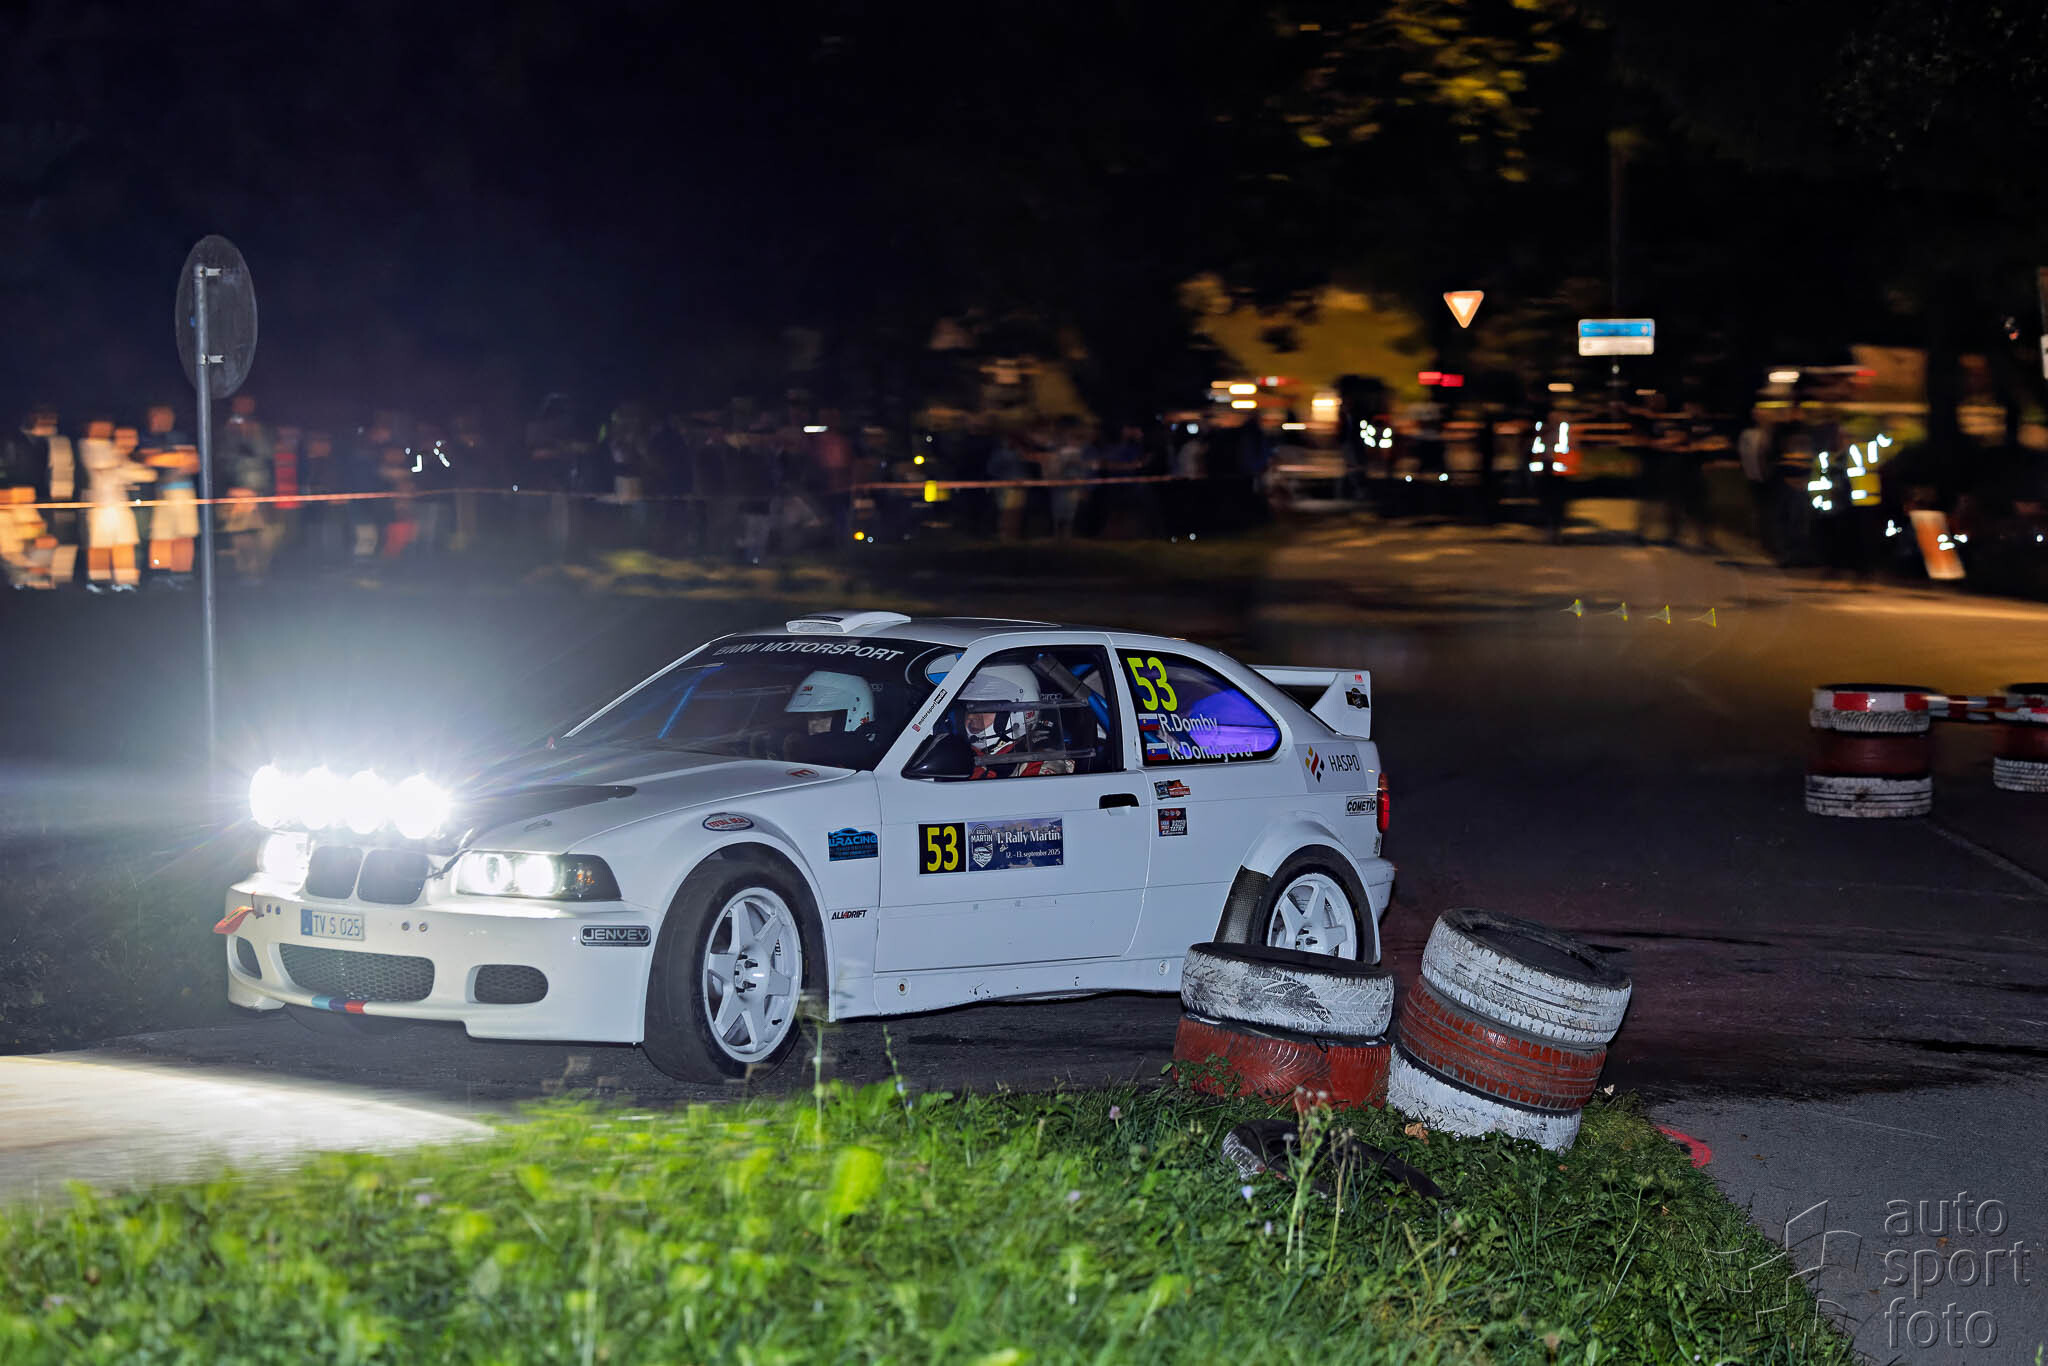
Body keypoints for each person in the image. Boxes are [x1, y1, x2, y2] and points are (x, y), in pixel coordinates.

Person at [959, 664, 1072, 778]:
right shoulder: (962, 752)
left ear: (1018, 714)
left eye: (984, 709)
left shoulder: (1041, 763)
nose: (971, 717)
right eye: (969, 709)